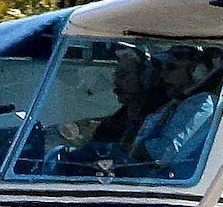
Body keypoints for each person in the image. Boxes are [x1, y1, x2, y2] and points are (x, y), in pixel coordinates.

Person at [44, 45, 165, 175]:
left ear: (146, 78)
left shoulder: (159, 119)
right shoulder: (116, 121)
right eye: (116, 75)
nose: (116, 82)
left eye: (123, 75)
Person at [124, 45, 223, 179]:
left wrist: (128, 152)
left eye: (171, 68)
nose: (163, 75)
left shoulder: (202, 103)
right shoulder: (174, 102)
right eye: (162, 68)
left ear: (197, 71)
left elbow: (161, 155)